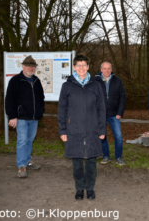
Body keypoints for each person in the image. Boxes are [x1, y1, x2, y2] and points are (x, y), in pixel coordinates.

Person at [58, 55, 106, 200]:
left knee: (91, 162)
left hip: (92, 130)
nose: (81, 68)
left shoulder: (96, 85)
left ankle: (90, 189)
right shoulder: (67, 86)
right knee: (77, 162)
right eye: (78, 65)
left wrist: (102, 129)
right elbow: (62, 109)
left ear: (88, 67)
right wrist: (63, 130)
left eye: (84, 65)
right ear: (73, 67)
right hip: (74, 130)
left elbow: (101, 109)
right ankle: (79, 188)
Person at [5, 55, 45, 178]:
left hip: (34, 117)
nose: (30, 68)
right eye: (28, 66)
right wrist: (12, 116)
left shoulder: (37, 81)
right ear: (23, 66)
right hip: (21, 117)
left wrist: (40, 111)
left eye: (32, 66)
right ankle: (21, 165)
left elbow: (41, 98)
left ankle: (27, 161)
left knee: (29, 140)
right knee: (22, 141)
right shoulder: (15, 81)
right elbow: (9, 100)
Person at [95, 62, 126, 165]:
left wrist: (119, 112)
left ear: (111, 69)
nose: (107, 70)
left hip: (114, 114)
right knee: (102, 136)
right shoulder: (95, 81)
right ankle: (106, 156)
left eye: (109, 68)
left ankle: (118, 157)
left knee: (118, 137)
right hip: (100, 114)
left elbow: (122, 98)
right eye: (105, 68)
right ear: (101, 69)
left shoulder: (118, 81)